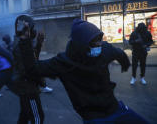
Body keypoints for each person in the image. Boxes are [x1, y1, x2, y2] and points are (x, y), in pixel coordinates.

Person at [18, 18, 149, 124]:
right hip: (93, 118)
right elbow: (33, 69)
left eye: (100, 40)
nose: (99, 45)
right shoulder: (63, 62)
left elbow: (119, 53)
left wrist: (124, 63)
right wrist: (25, 41)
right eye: (95, 42)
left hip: (116, 109)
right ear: (81, 45)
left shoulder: (104, 49)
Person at [7, 15, 44, 124]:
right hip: (28, 88)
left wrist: (39, 44)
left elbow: (33, 57)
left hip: (25, 86)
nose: (34, 31)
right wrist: (39, 79)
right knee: (38, 118)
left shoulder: (24, 43)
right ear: (25, 30)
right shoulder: (20, 45)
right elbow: (29, 68)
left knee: (25, 115)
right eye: (31, 28)